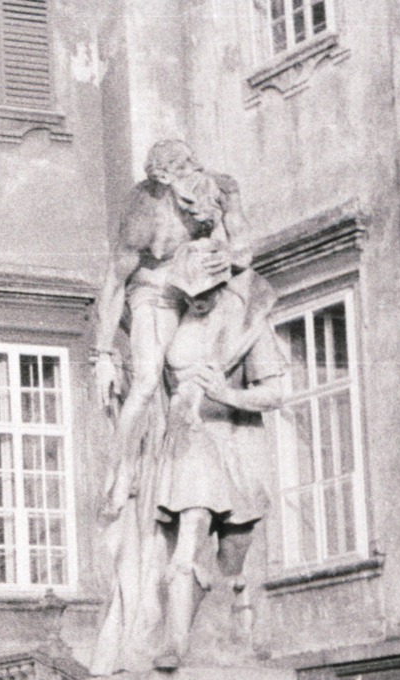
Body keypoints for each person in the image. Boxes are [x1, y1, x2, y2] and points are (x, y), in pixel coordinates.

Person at [92, 140, 250, 518]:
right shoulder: (143, 212)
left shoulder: (221, 189)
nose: (192, 179)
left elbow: (244, 250)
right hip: (153, 294)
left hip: (201, 292)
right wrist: (102, 355)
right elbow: (115, 283)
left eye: (193, 168)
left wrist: (227, 254)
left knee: (199, 379)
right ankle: (120, 469)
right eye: (181, 173)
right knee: (146, 380)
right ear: (162, 179)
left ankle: (191, 482)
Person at [149, 265, 288, 670]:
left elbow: (276, 391)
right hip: (188, 441)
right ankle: (174, 641)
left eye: (206, 289)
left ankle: (225, 642)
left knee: (233, 555)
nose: (198, 298)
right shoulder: (169, 318)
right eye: (189, 290)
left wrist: (226, 393)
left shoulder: (245, 326)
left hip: (234, 443)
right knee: (187, 537)